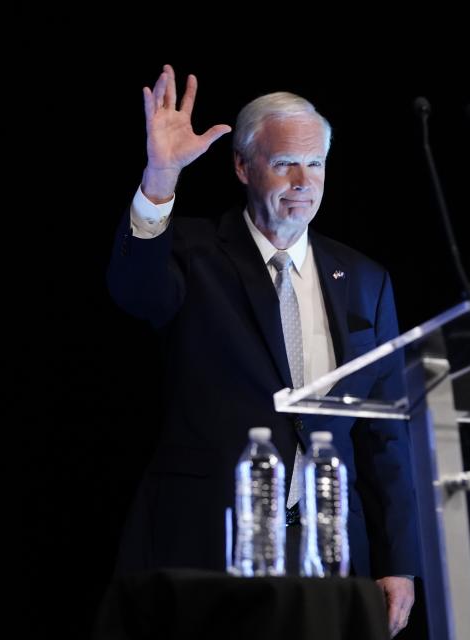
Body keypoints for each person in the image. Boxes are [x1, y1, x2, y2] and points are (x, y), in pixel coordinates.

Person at [107, 65, 417, 637]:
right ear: (243, 166)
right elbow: (135, 290)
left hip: (329, 554)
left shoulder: (366, 281)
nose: (303, 181)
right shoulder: (194, 252)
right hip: (208, 546)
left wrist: (400, 561)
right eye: (284, 164)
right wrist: (159, 176)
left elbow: (385, 433)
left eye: (316, 164)